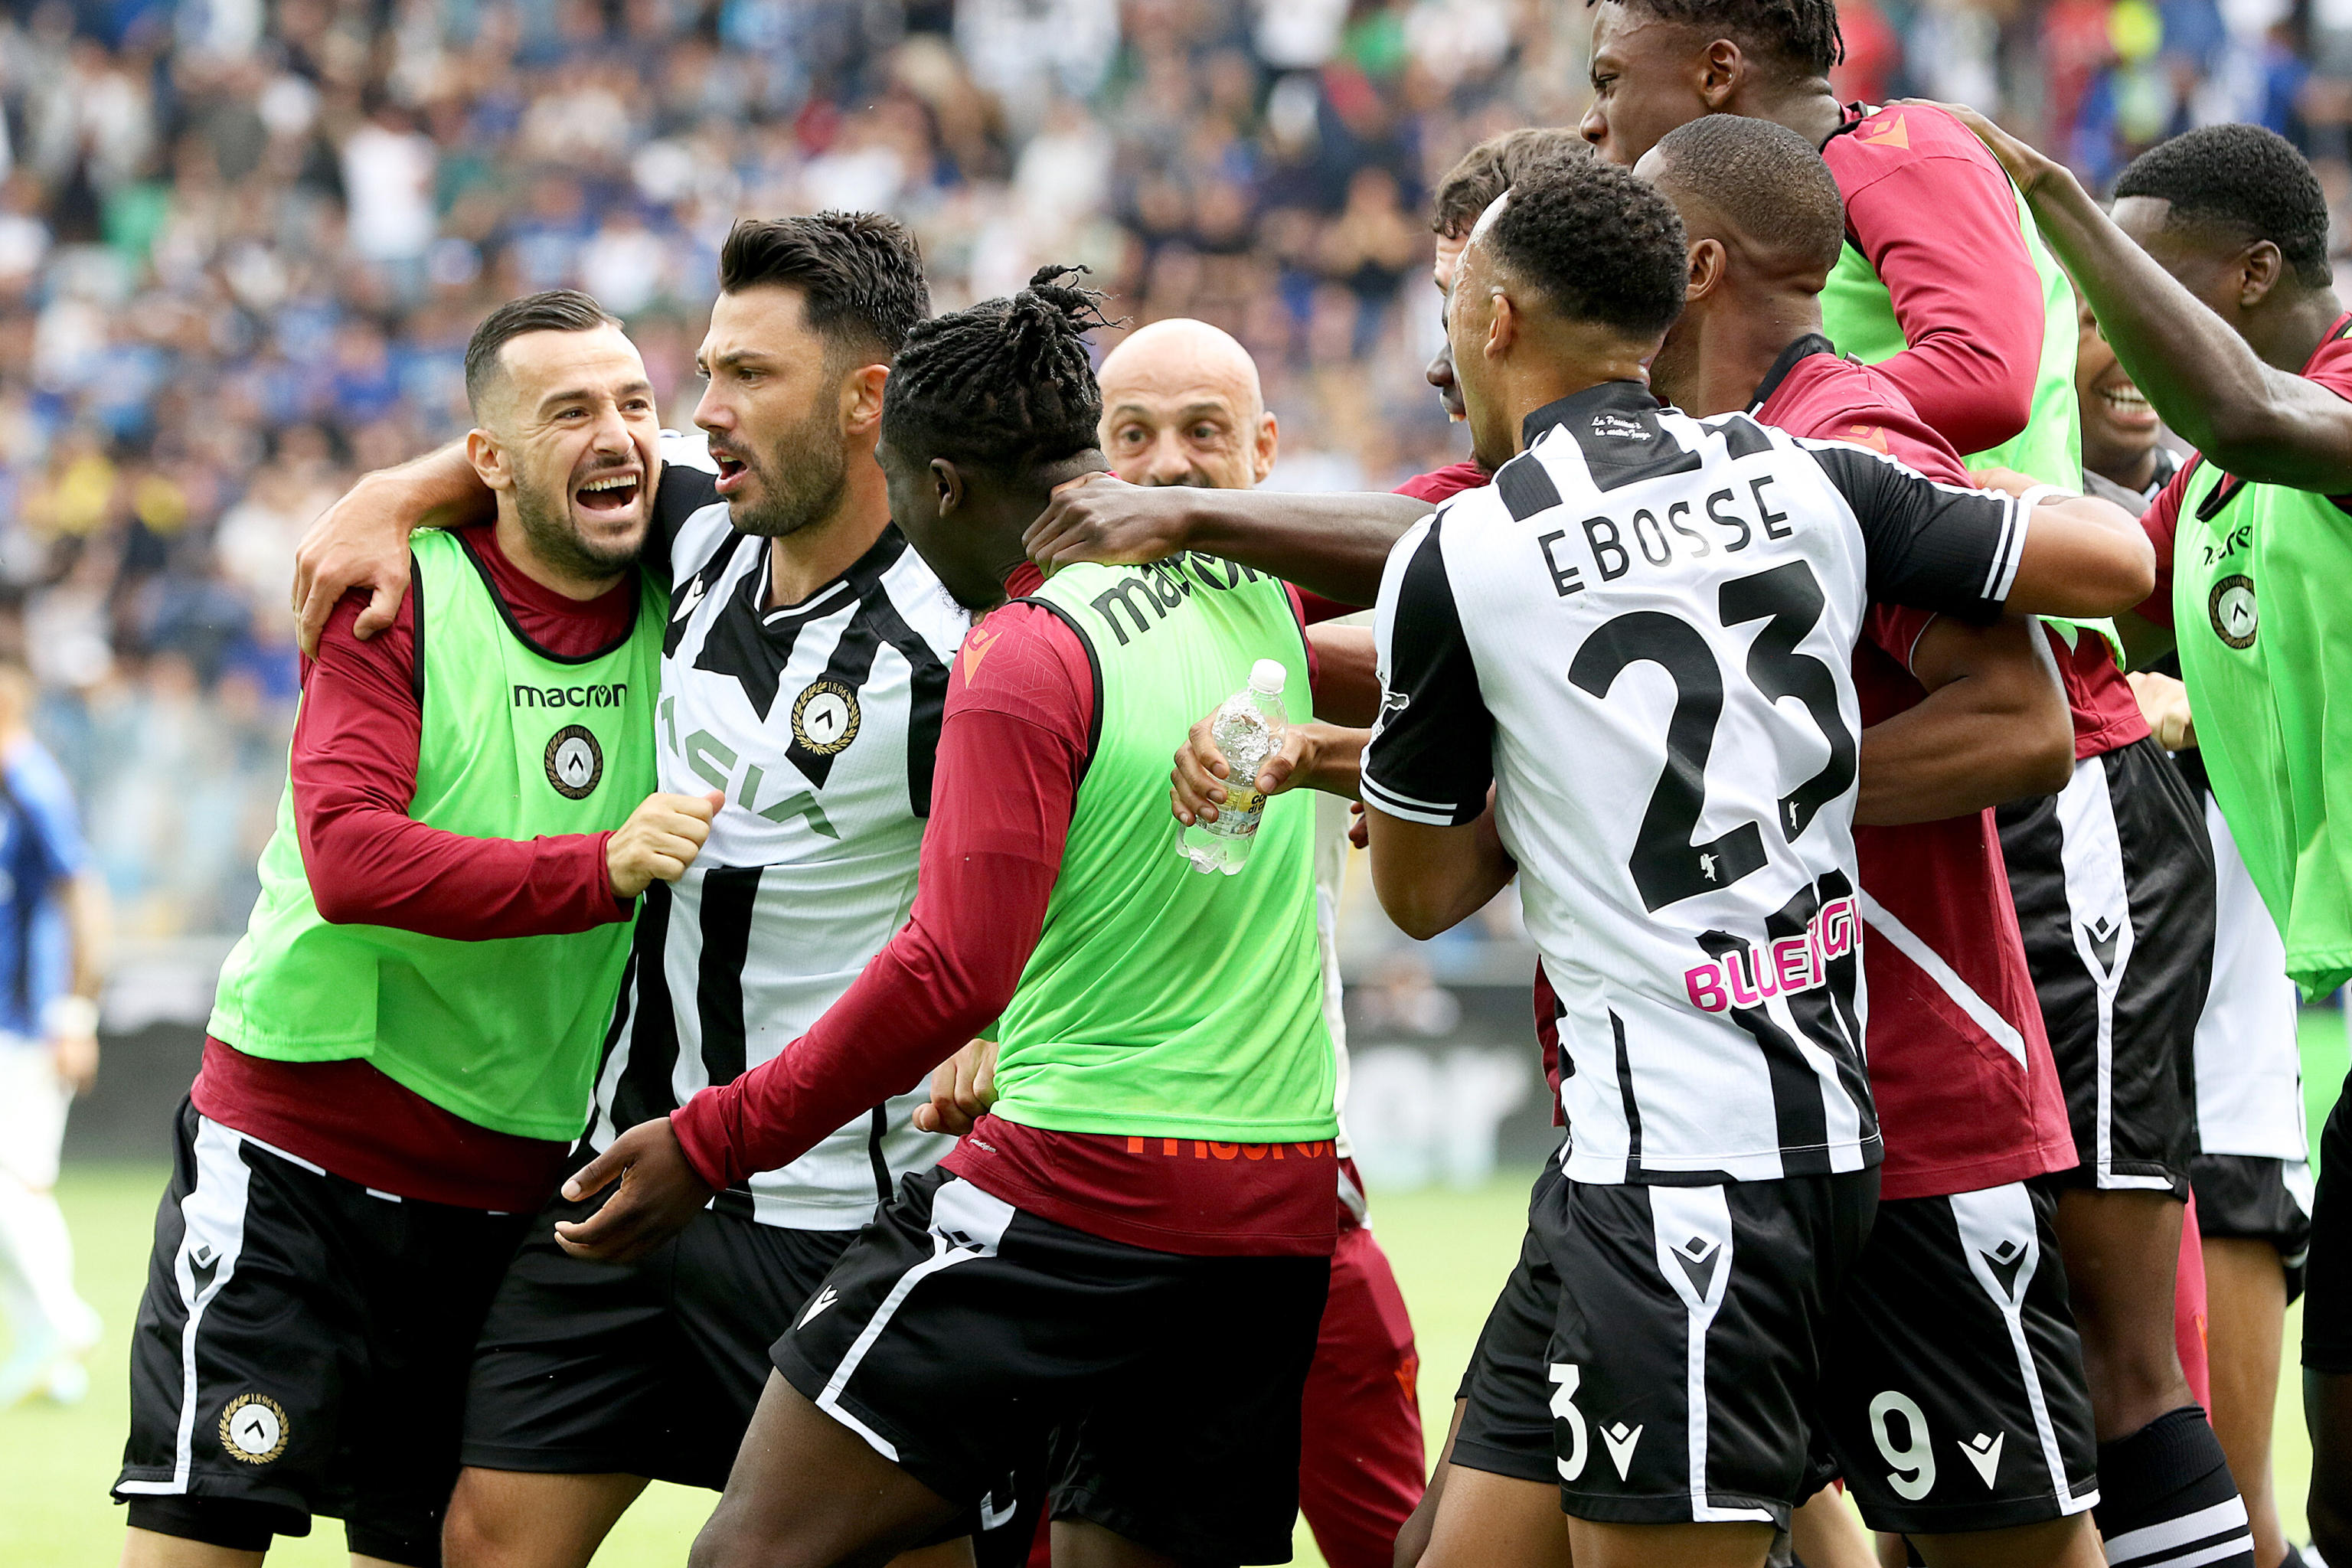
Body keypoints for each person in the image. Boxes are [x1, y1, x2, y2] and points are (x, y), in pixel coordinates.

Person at [1357, 153, 2151, 1568]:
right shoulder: (1809, 479)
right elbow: (2110, 563)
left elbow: (1416, 894)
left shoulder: (1461, 553)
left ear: (1494, 318)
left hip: (1676, 1164)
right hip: (1815, 1119)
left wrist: (1549, 788)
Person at [550, 266, 1361, 1568]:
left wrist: (709, 1141)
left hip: (1084, 1182)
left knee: (747, 1552)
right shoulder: (1243, 573)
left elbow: (948, 973)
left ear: (935, 488)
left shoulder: (1026, 647)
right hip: (1271, 1201)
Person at [284, 213, 1031, 1568]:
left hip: (834, 1212)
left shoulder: (962, 638)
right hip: (630, 1176)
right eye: (707, 371)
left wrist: (1003, 1025)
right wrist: (385, 498)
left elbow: (1027, 900)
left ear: (869, 401)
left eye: (747, 377)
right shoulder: (698, 522)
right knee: (490, 1535)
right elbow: (533, 460)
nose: (701, 413)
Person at [1581, 15, 2230, 1547]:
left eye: (1616, 78)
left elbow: (1989, 383)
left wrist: (1746, 488)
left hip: (2054, 773)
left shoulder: (1900, 145)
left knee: (2110, 1351)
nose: (1600, 120)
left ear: (1722, 68)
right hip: (1943, 766)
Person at [113, 289, 714, 1566]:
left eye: (635, 404)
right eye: (569, 411)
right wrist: (596, 865)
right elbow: (347, 858)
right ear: (488, 460)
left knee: (426, 1547)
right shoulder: (399, 593)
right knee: (200, 1531)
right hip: (298, 1163)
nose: (617, 436)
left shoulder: (695, 592)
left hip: (506, 1191)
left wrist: (404, 478)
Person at [1932, 108, 2352, 1567]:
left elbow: (2246, 411)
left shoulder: (2303, 413)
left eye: (2135, 280)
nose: (2107, 318)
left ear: (2239, 277)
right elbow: (2103, 598)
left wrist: (2044, 198)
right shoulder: (2211, 490)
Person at [1090, 315, 1424, 1568]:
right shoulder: (1041, 631)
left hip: (1294, 1191)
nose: (1169, 465)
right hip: (1097, 1190)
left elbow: (1455, 632)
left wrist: (1345, 758)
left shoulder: (1292, 618)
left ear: (1267, 450)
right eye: (1135, 436)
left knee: (1392, 1542)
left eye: (1203, 433)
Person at [2077, 283, 2310, 1568]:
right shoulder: (1996, 532)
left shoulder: (2241, 501)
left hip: (2216, 1090)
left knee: (2233, 1511)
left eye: (2149, 321)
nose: (2128, 357)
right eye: (2096, 321)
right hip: (2055, 1101)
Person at [0, 655, 108, 1409]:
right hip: (12, 1016)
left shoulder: (32, 782)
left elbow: (85, 897)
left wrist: (76, 1012)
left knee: (16, 1182)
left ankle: (63, 1320)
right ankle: (52, 1349)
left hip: (31, 1019)